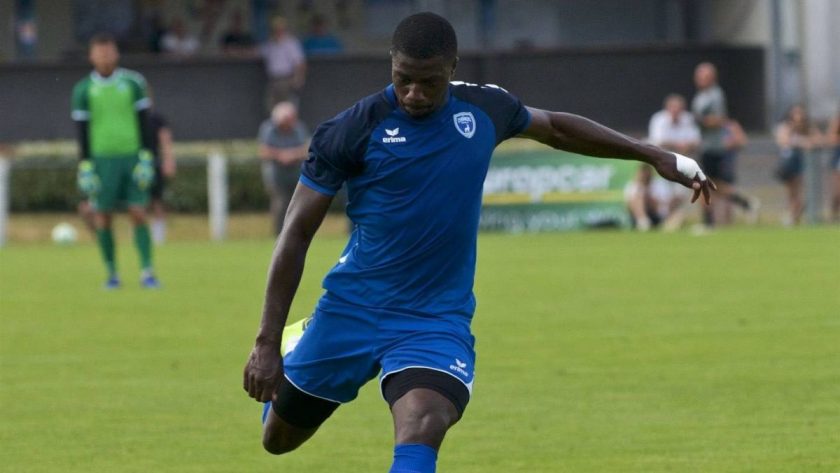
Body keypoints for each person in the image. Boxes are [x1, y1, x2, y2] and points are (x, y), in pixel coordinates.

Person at [242, 12, 714, 473]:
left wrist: (653, 155)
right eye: (403, 78)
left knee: (424, 422)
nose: (413, 93)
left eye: (428, 81)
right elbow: (296, 233)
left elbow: (555, 127)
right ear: (391, 64)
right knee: (277, 442)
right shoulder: (352, 129)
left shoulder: (485, 108)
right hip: (352, 309)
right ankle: (300, 339)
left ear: (452, 68)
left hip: (433, 317)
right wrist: (266, 342)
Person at [71, 33, 159, 289]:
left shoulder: (133, 83)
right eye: (100, 52)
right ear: (91, 56)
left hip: (132, 157)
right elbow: (82, 130)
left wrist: (146, 156)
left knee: (138, 212)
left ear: (116, 53)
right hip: (101, 160)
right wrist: (85, 165)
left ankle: (147, 272)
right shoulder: (83, 89)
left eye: (109, 51)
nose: (105, 56)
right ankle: (112, 273)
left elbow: (146, 122)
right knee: (102, 217)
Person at [691, 62, 758, 227]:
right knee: (711, 184)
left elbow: (719, 119)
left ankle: (708, 223)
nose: (701, 79)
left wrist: (702, 121)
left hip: (714, 147)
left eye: (704, 76)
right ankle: (745, 203)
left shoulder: (715, 95)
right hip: (705, 146)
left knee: (702, 183)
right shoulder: (700, 97)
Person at [258, 101, 310, 235]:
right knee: (280, 204)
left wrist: (292, 155)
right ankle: (279, 233)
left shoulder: (299, 128)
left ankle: (297, 232)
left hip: (297, 175)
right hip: (276, 176)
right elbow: (264, 151)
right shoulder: (268, 128)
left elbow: (306, 150)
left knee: (298, 204)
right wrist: (280, 155)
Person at [774, 104, 824, 226]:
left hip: (805, 164)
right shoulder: (785, 127)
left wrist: (808, 141)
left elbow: (819, 140)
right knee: (792, 192)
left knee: (801, 191)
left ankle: (796, 216)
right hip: (789, 164)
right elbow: (782, 140)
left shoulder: (809, 129)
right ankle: (793, 216)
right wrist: (801, 141)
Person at [144, 89, 175, 244]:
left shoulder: (157, 119)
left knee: (157, 201)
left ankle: (159, 238)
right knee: (138, 203)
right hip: (135, 165)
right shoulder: (131, 119)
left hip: (153, 164)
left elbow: (165, 140)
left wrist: (169, 160)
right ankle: (142, 237)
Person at [260, 17, 306, 110]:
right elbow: (257, 52)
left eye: (280, 29)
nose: (278, 32)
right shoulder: (270, 44)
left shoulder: (291, 43)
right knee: (271, 108)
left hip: (286, 79)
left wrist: (298, 78)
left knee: (288, 109)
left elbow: (300, 62)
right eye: (275, 29)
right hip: (273, 80)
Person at [827, 108, 840, 222]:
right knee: (837, 192)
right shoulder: (837, 120)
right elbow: (831, 138)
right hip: (838, 158)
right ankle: (834, 215)